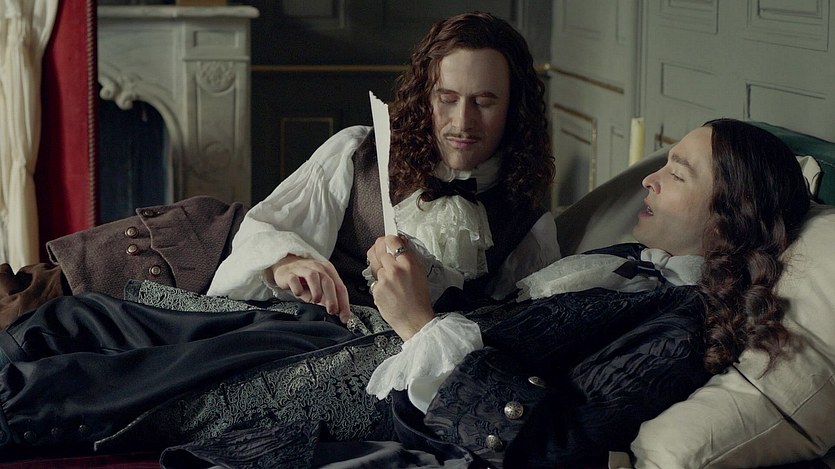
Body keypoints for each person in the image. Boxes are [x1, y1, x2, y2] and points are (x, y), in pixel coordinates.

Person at [0, 119, 810, 468]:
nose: (652, 177)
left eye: (678, 172)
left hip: (380, 392)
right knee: (90, 312)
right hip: (352, 333)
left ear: (726, 216)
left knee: (82, 386)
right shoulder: (626, 259)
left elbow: (554, 445)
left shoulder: (678, 325)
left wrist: (420, 322)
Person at [207, 12, 559, 321]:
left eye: (483, 102)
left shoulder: (529, 228)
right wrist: (285, 263)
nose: (463, 122)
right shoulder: (356, 152)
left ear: (514, 108)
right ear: (425, 97)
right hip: (311, 333)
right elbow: (261, 230)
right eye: (447, 99)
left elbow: (517, 334)